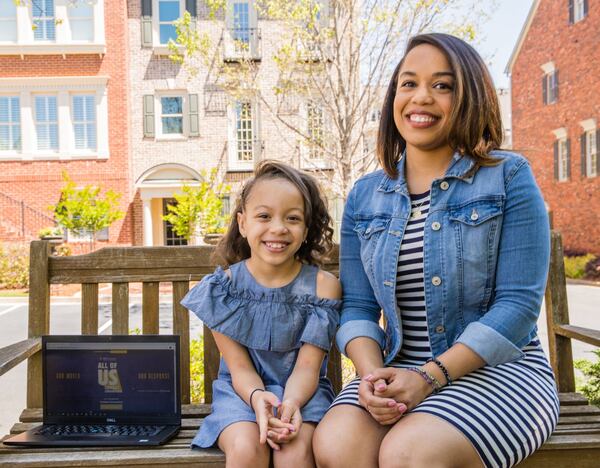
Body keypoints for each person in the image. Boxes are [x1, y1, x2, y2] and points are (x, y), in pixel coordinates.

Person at [313, 33, 559, 468]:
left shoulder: (507, 176)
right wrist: (371, 377)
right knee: (337, 445)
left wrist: (429, 377)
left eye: (442, 85)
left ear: (470, 97)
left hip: (498, 372)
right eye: (408, 84)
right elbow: (357, 307)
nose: (421, 97)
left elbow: (518, 307)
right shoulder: (364, 196)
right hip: (395, 367)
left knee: (408, 454)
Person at [181, 160, 341, 468]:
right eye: (264, 216)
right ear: (242, 223)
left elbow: (308, 367)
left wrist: (290, 403)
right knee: (245, 448)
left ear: (306, 229)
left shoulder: (323, 288)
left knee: (294, 453)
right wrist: (258, 398)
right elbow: (239, 368)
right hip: (242, 394)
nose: (278, 228)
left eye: (292, 218)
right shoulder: (223, 289)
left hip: (302, 395)